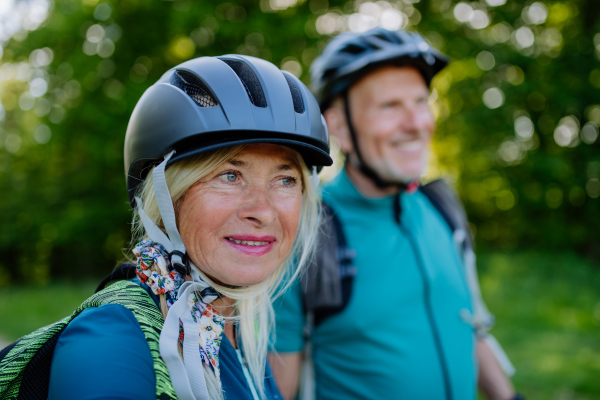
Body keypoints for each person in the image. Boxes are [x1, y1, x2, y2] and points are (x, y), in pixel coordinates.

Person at [0, 55, 332, 400]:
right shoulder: (112, 342)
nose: (263, 211)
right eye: (229, 176)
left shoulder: (236, 330)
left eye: (285, 179)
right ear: (166, 196)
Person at [270, 28, 520, 400]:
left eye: (421, 102)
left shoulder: (440, 206)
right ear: (339, 126)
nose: (416, 123)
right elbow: (280, 390)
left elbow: (468, 325)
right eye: (390, 106)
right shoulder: (304, 231)